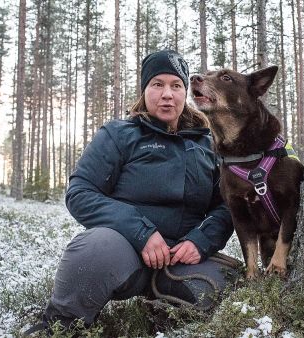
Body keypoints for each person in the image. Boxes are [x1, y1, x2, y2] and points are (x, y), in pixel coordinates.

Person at [25, 50, 235, 335]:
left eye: (176, 86)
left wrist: (201, 241)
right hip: (126, 251)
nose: (167, 94)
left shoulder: (206, 144)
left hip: (181, 260)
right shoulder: (119, 135)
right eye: (157, 84)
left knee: (231, 286)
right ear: (144, 89)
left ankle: (159, 308)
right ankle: (61, 325)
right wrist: (142, 233)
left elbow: (227, 206)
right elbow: (81, 192)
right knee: (92, 250)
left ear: (185, 92)